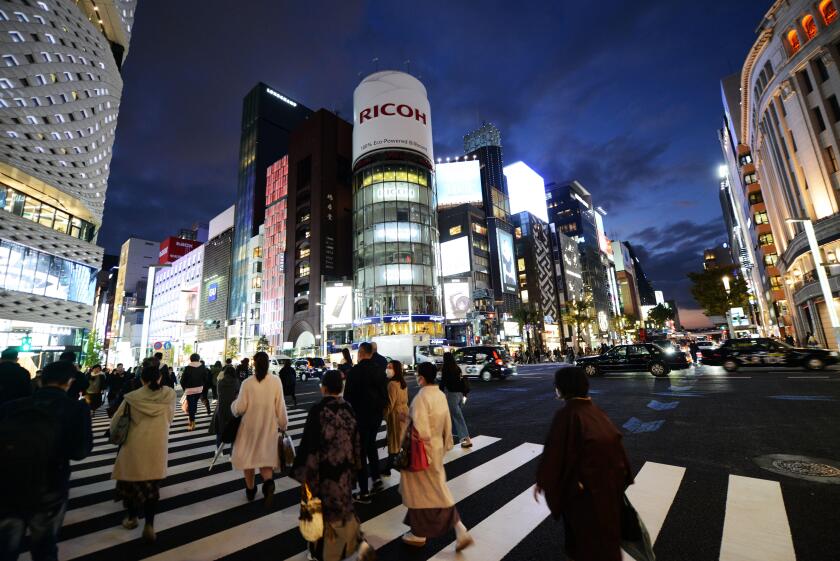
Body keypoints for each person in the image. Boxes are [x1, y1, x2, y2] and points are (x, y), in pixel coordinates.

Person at [534, 367, 633, 561]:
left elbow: (554, 454)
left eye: (556, 384)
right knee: (607, 543)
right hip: (609, 489)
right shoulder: (595, 410)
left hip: (585, 495)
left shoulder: (567, 415)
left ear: (563, 388)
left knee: (586, 545)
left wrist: (543, 480)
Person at [0, 360, 93, 561]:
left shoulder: (11, 406)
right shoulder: (76, 409)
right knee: (44, 547)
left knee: (5, 547)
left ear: (41, 380)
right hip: (50, 485)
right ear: (69, 382)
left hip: (9, 483)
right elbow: (80, 451)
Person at [292, 370, 373, 561]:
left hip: (323, 472)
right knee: (343, 508)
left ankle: (320, 552)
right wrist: (355, 467)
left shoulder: (318, 411)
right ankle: (355, 544)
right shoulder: (349, 409)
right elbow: (356, 442)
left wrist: (306, 475)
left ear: (324, 388)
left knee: (321, 512)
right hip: (344, 469)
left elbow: (309, 445)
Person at [400, 362, 473, 551]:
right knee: (436, 490)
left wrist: (405, 421)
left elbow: (420, 429)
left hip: (421, 453)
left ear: (422, 377)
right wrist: (446, 444)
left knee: (422, 493)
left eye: (418, 375)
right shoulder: (440, 395)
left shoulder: (421, 398)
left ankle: (422, 533)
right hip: (436, 448)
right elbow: (447, 423)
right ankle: (456, 530)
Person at [110, 363, 176, 543]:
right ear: (160, 378)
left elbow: (116, 423)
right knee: (152, 488)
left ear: (141, 379)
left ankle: (131, 518)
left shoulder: (131, 398)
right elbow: (170, 417)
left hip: (133, 445)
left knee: (131, 485)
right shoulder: (169, 395)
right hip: (157, 445)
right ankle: (149, 525)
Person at [230, 351, 288, 507]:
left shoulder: (247, 383)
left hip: (249, 429)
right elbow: (280, 407)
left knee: (248, 460)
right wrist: (283, 424)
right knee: (265, 459)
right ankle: (268, 484)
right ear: (268, 364)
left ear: (253, 365)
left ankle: (250, 490)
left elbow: (240, 408)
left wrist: (233, 406)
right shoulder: (276, 382)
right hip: (268, 428)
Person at [344, 342, 388, 503]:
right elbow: (385, 397)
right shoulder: (379, 371)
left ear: (361, 353)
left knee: (360, 451)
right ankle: (376, 478)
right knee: (371, 445)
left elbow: (347, 397)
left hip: (359, 416)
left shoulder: (354, 372)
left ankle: (363, 491)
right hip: (375, 416)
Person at [439, 352, 472, 449]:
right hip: (461, 395)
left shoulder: (446, 369)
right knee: (453, 417)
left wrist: (439, 393)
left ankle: (466, 439)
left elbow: (442, 383)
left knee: (456, 418)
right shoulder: (457, 368)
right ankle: (450, 438)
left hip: (452, 396)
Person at [383, 360, 409, 476]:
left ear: (396, 369)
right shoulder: (402, 383)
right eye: (387, 366)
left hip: (395, 415)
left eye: (390, 367)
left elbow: (390, 403)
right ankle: (390, 466)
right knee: (402, 440)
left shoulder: (392, 384)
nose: (387, 369)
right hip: (404, 413)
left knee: (394, 442)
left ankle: (389, 467)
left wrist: (384, 415)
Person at [209, 362, 239, 453]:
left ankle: (219, 450)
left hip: (221, 408)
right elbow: (238, 395)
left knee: (219, 430)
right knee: (234, 430)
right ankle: (231, 453)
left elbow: (219, 394)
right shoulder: (237, 382)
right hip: (233, 409)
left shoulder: (220, 383)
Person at [179, 354, 208, 431]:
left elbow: (182, 380)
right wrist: (202, 386)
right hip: (199, 389)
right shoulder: (203, 367)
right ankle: (192, 417)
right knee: (194, 404)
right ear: (198, 359)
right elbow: (206, 378)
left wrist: (184, 388)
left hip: (189, 390)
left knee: (191, 405)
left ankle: (192, 422)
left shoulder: (188, 368)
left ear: (191, 359)